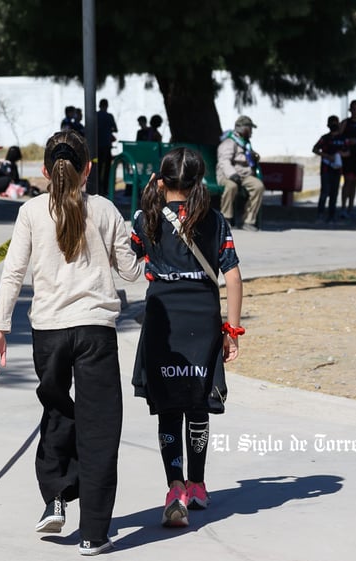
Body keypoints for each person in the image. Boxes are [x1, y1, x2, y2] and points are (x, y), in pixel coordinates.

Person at [0, 130, 142, 556]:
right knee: (100, 427)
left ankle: (55, 495)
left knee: (57, 411)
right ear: (89, 169)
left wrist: (1, 329)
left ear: (43, 170)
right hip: (95, 331)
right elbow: (131, 273)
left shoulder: (32, 211)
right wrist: (144, 243)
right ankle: (93, 531)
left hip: (48, 332)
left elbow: (13, 273)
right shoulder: (107, 210)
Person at [130, 146, 243, 528]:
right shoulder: (214, 220)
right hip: (204, 320)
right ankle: (197, 484)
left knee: (167, 407)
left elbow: (128, 258)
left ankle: (174, 486)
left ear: (160, 181)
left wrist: (149, 195)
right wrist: (232, 329)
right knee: (198, 404)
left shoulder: (144, 218)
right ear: (199, 182)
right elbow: (232, 275)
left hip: (163, 321)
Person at [215, 115, 265, 231]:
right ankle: (226, 218)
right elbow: (224, 161)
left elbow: (248, 159)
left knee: (258, 186)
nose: (251, 131)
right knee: (231, 187)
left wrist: (254, 157)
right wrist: (232, 174)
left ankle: (249, 220)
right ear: (242, 128)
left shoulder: (245, 143)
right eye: (250, 128)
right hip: (227, 175)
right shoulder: (229, 141)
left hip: (244, 175)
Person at [312, 115, 349, 223]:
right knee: (324, 192)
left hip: (337, 170)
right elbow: (315, 149)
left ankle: (331, 216)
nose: (334, 125)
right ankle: (320, 215)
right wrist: (326, 156)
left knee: (334, 193)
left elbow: (348, 152)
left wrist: (339, 154)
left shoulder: (342, 139)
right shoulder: (325, 138)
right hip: (325, 169)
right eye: (331, 123)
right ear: (328, 125)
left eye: (335, 122)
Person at [96, 99, 118, 194]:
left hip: (97, 146)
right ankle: (105, 188)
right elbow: (115, 129)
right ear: (106, 106)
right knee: (107, 169)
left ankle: (97, 187)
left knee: (98, 167)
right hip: (107, 145)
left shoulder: (95, 115)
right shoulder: (109, 116)